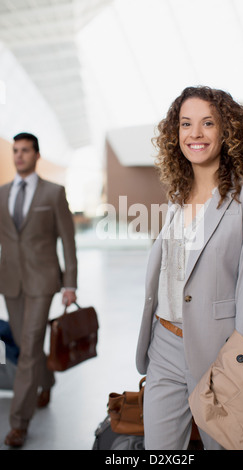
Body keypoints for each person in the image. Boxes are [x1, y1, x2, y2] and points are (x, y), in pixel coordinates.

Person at [136, 86, 243, 450]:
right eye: (185, 124)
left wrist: (238, 363)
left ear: (227, 131)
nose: (194, 134)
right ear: (175, 133)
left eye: (207, 123)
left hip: (220, 350)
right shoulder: (176, 197)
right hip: (164, 344)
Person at [0, 132, 78, 447]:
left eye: (25, 150)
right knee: (24, 343)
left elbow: (68, 241)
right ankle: (46, 380)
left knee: (30, 346)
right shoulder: (2, 193)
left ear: (37, 155)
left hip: (43, 281)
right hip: (11, 282)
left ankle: (19, 424)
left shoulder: (54, 193)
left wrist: (70, 283)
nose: (19, 155)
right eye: (15, 150)